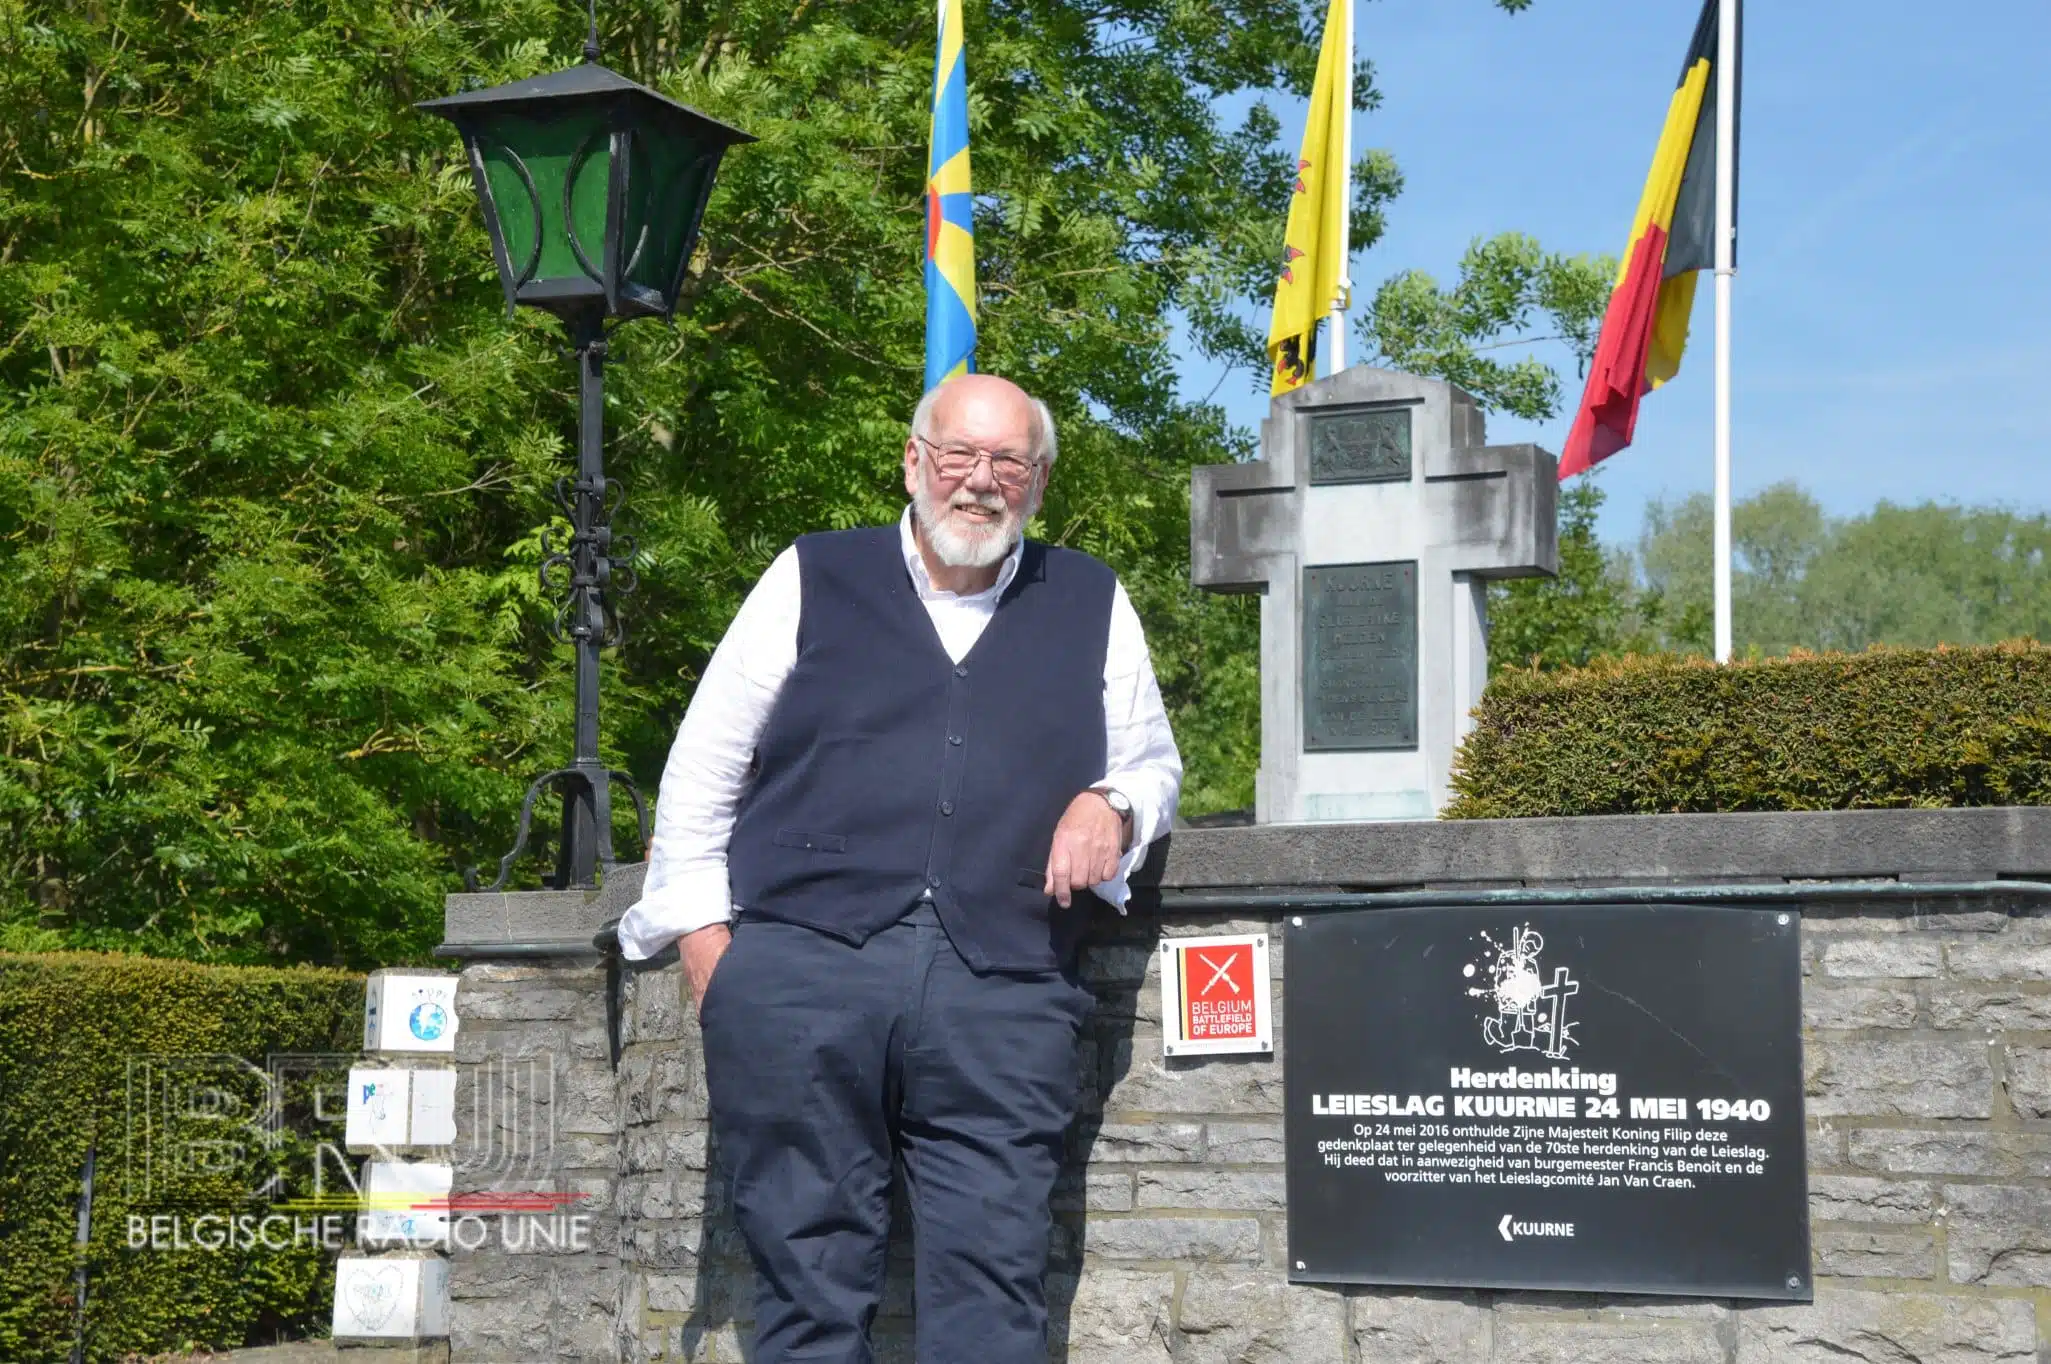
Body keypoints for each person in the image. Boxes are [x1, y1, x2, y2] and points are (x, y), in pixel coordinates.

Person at [614, 373, 1182, 1364]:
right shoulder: (811, 574)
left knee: (995, 1294)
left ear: (1039, 481)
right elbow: (703, 766)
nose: (980, 480)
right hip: (801, 969)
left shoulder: (1091, 597)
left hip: (1003, 982)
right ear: (914, 461)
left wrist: (1114, 802)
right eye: (959, 454)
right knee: (806, 1289)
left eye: (1008, 461)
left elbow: (1152, 764)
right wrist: (706, 944)